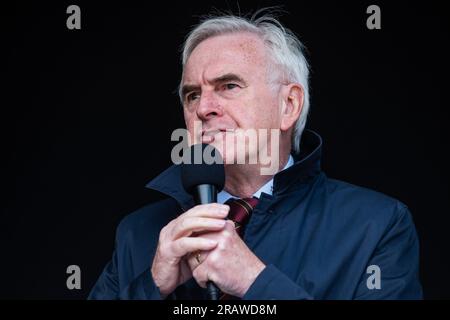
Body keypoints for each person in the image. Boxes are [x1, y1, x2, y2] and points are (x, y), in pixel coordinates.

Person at [88, 11, 422, 300]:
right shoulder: (139, 233)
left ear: (287, 105)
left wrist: (257, 283)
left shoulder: (376, 226)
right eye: (192, 95)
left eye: (229, 86)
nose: (203, 108)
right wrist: (151, 286)